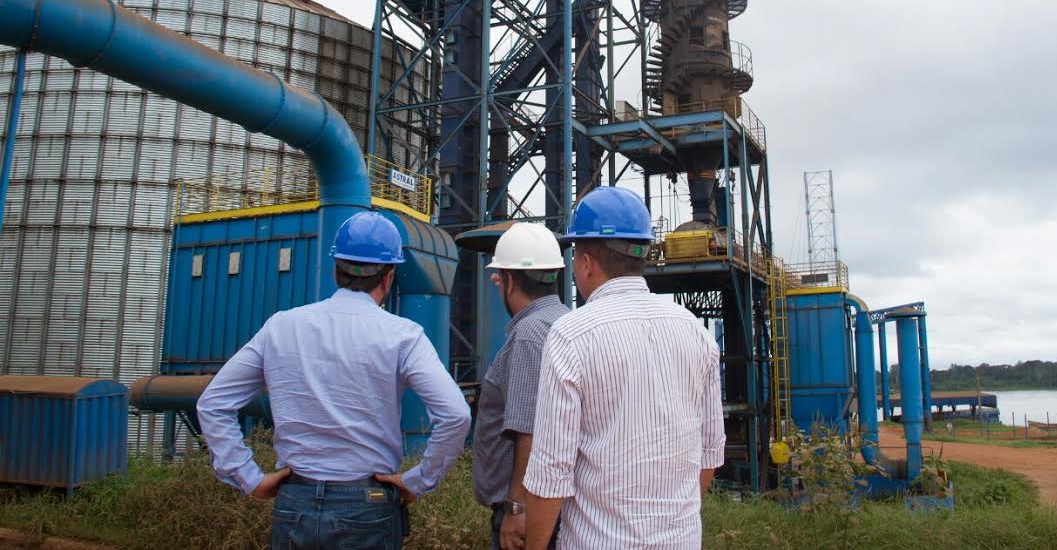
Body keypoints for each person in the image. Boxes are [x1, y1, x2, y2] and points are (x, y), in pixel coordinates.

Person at [197, 211, 472, 550]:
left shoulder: (281, 326)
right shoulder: (403, 335)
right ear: (389, 277)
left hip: (294, 501)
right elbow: (455, 415)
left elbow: (213, 404)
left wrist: (248, 477)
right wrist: (419, 480)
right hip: (368, 506)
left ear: (335, 270)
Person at [522, 187, 725, 550]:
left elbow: (550, 472)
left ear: (586, 263)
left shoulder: (571, 336)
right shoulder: (695, 332)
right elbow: (709, 453)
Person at [472, 222, 569, 550]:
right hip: (558, 503)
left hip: (529, 509)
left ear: (510, 281)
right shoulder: (566, 322)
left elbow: (528, 429)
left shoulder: (529, 333)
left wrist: (517, 507)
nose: (495, 282)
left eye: (499, 276)